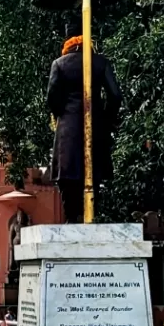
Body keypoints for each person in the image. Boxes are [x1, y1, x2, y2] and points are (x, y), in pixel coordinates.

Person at [47, 32, 123, 224]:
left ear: (68, 48)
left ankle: (71, 217)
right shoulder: (100, 63)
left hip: (68, 127)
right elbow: (115, 95)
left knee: (68, 175)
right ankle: (92, 213)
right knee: (94, 172)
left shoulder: (59, 64)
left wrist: (60, 115)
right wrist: (107, 117)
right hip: (95, 124)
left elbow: (52, 98)